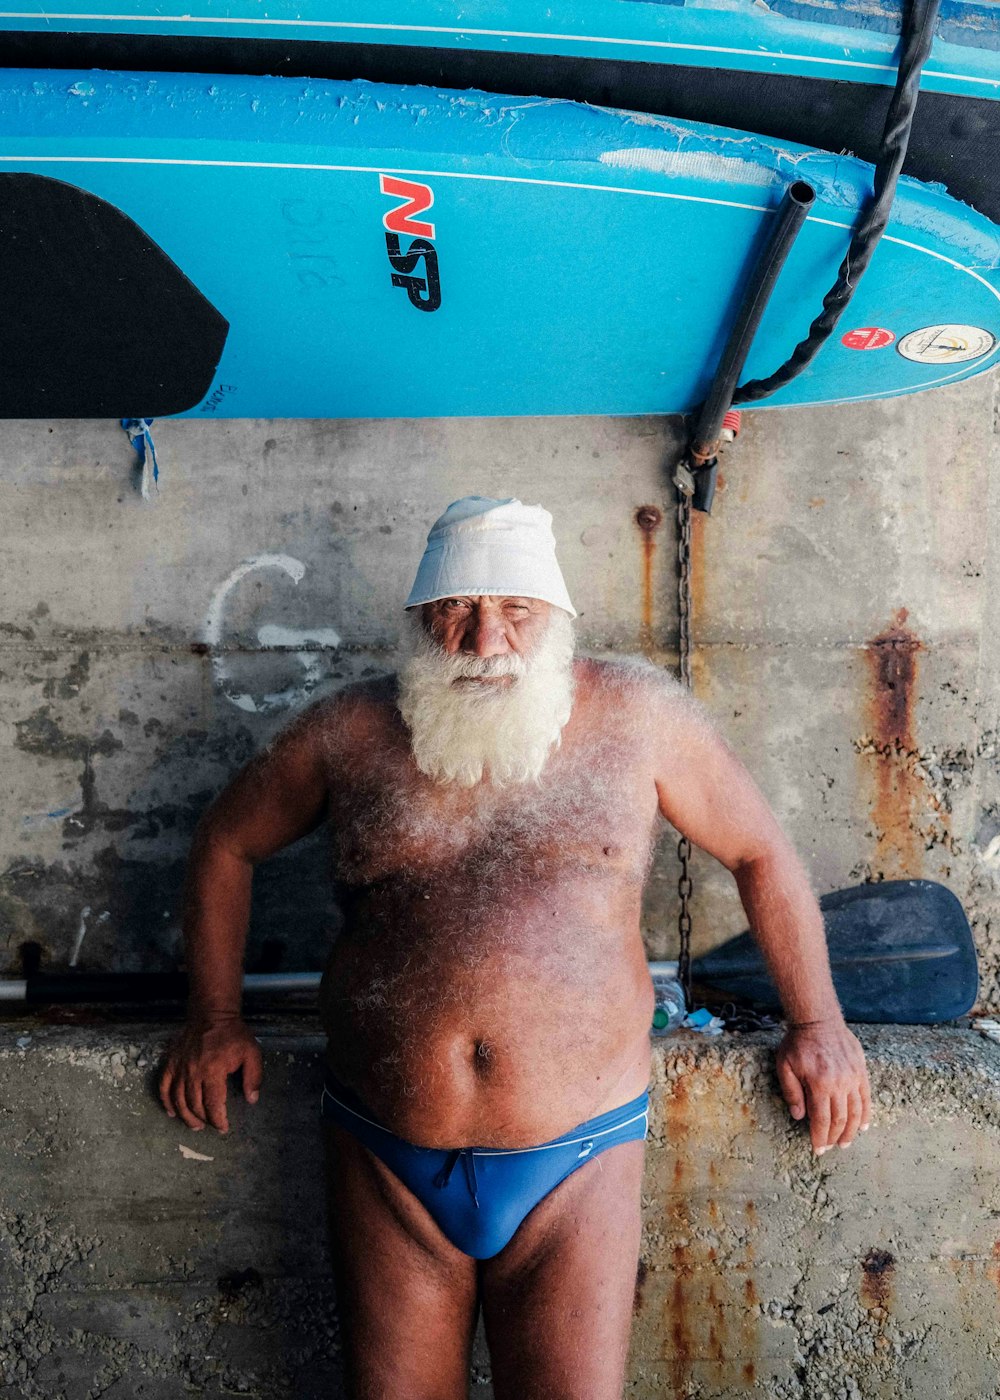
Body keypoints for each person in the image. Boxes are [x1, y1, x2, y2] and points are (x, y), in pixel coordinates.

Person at [159, 495, 870, 1399]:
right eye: (456, 612)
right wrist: (214, 1018)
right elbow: (227, 842)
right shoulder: (349, 733)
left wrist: (818, 1021)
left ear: (560, 622)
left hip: (578, 1155)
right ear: (421, 622)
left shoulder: (639, 717)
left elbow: (760, 852)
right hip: (385, 1152)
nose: (486, 641)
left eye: (516, 612)